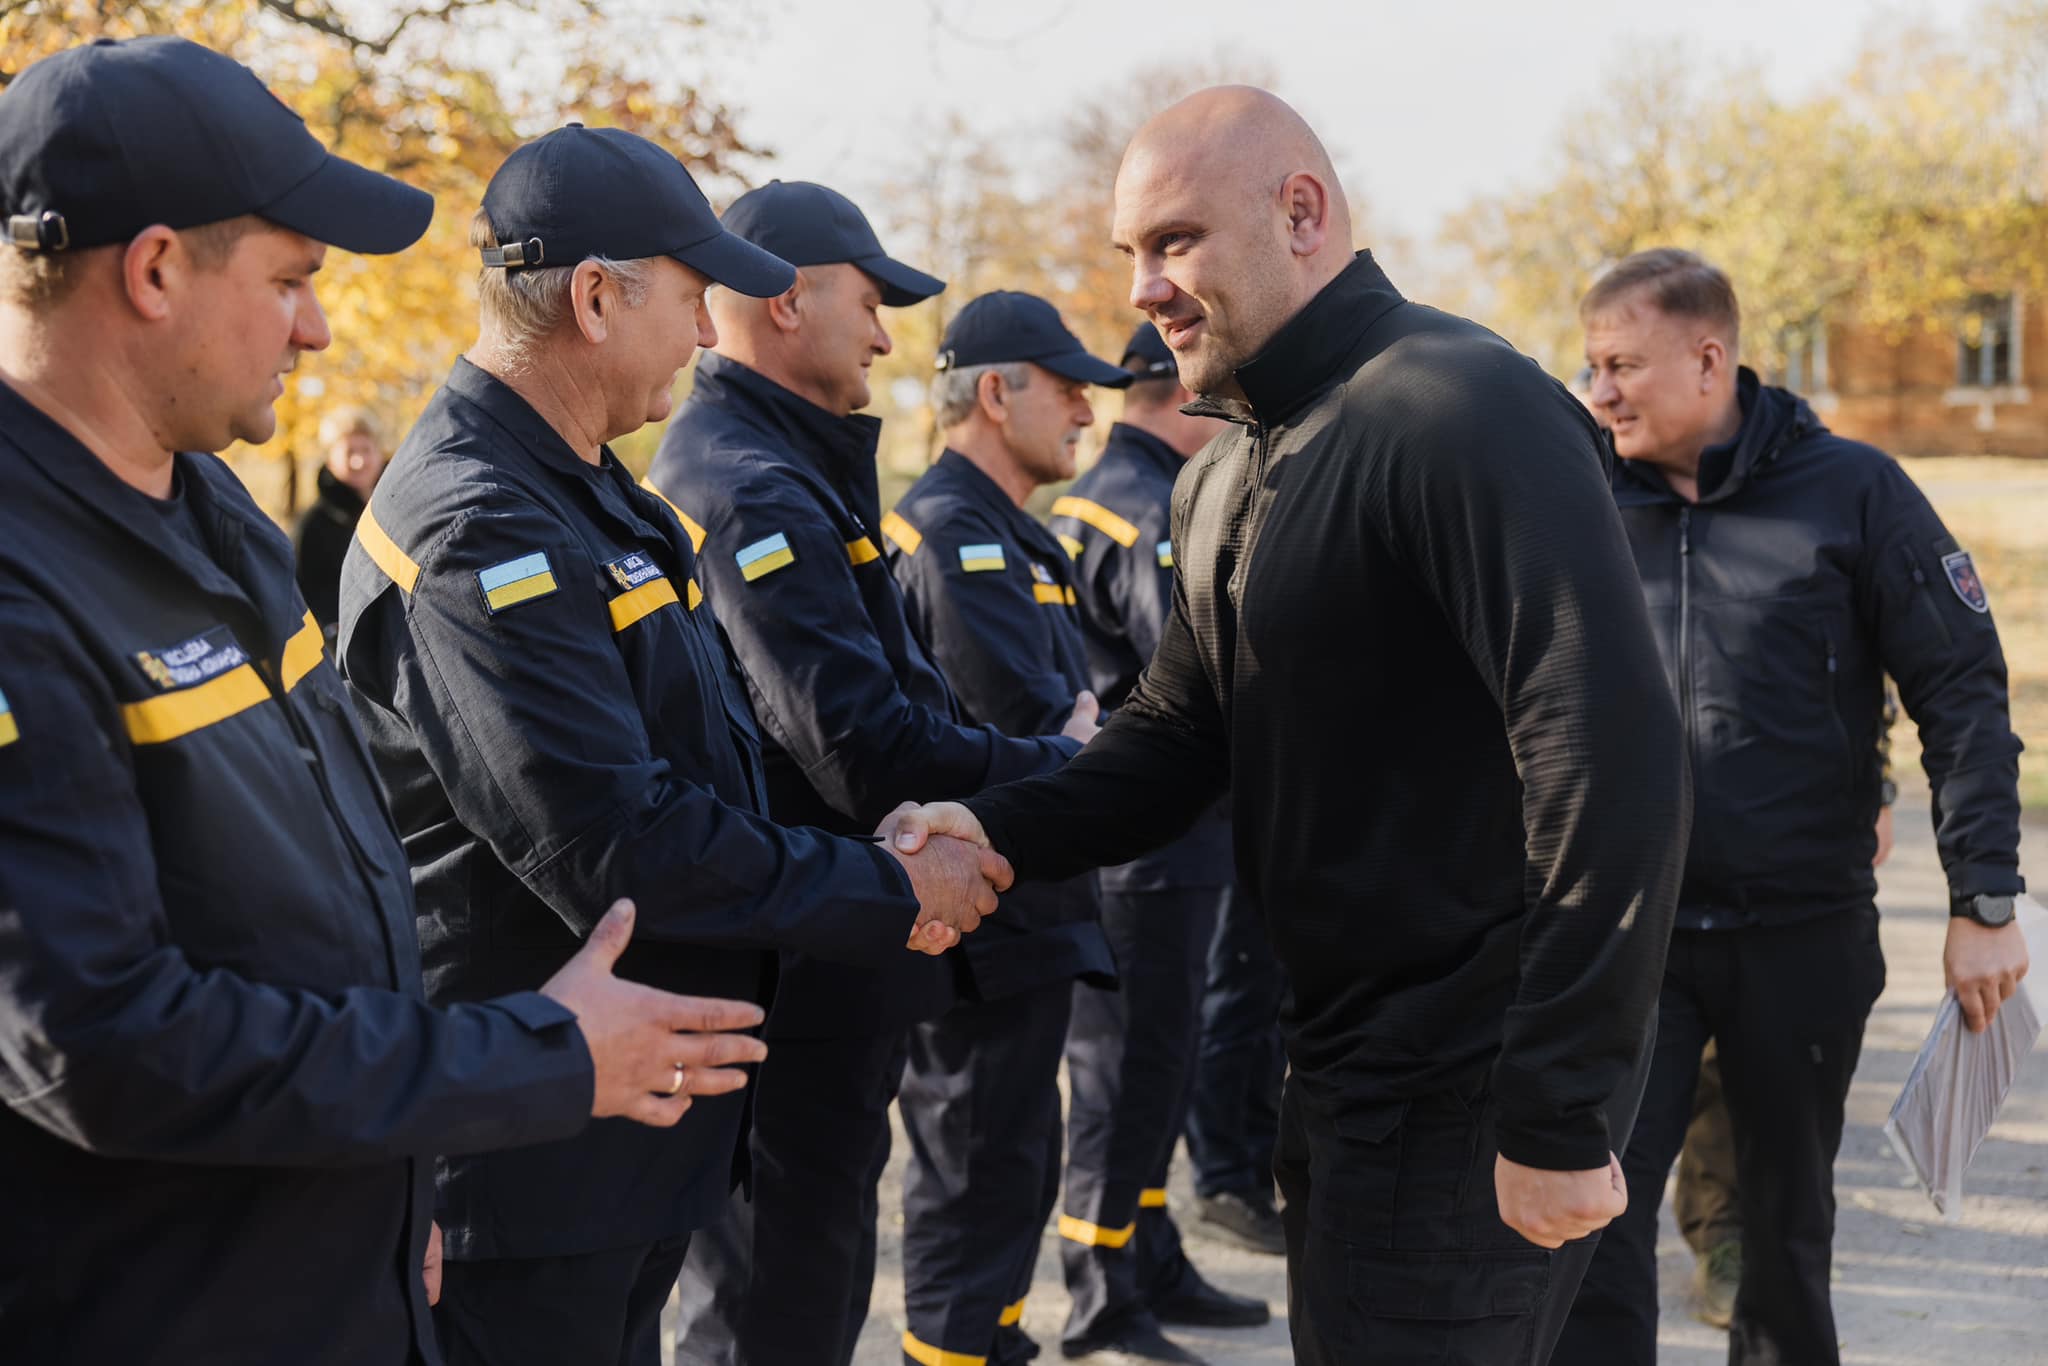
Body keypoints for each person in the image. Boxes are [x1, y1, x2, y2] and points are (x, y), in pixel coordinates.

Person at [885, 86, 1689, 1366]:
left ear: (1300, 212)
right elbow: (1168, 738)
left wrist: (1555, 1107)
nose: (1142, 288)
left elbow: (1609, 760)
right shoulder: (1222, 473)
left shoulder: (1460, 408)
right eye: (1129, 256)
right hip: (1339, 1082)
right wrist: (986, 828)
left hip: (1471, 1098)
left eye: (1175, 242)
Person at [0, 37, 770, 1366]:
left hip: (336, 1241)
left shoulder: (219, 514)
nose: (318, 326)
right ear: (156, 268)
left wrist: (400, 1170)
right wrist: (528, 1059)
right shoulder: (22, 590)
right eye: (293, 281)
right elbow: (99, 1039)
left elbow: (336, 868)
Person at [335, 130, 1009, 1366]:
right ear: (596, 297)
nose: (708, 335)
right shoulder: (479, 524)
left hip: (623, 1136)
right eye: (693, 298)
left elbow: (716, 770)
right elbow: (617, 839)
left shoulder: (585, 491)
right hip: (531, 1170)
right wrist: (891, 886)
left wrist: (870, 845)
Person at [642, 183, 1097, 1366]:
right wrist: (1065, 764)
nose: (889, 335)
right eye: (871, 300)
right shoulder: (751, 483)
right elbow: (862, 746)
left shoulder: (791, 465)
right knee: (774, 1302)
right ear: (787, 299)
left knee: (815, 1274)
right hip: (794, 968)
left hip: (830, 958)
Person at [1557, 248, 2029, 1366]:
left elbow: (1960, 690)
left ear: (1708, 357)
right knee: (1587, 1226)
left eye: (1619, 364)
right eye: (1589, 366)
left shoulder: (1852, 491)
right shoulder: (1571, 501)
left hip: (1798, 938)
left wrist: (1983, 896)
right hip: (1626, 942)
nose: (1598, 391)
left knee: (1780, 1236)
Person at [884, 290, 1137, 1366]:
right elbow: (1038, 723)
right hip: (979, 926)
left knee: (1016, 1169)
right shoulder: (949, 532)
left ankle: (986, 1344)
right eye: (1069, 386)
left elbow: (1093, 707)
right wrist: (1085, 734)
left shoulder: (1010, 532)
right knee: (974, 1175)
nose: (1087, 410)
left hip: (1030, 910)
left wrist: (1089, 730)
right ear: (995, 393)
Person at [1047, 319, 1271, 1364]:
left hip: (1160, 841)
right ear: (1171, 395)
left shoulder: (1103, 495)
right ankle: (1101, 1288)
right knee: (1128, 1073)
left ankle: (1144, 1248)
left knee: (1157, 1063)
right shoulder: (1144, 509)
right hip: (1147, 846)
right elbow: (1191, 668)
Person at [1677, 694, 1898, 1330]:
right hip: (1652, 806)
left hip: (1788, 840)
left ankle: (1727, 1234)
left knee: (1744, 1059)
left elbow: (1863, 659)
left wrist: (1877, 777)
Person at [294, 403, 388, 639]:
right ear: (330, 458)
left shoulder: (398, 509)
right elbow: (304, 598)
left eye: (366, 450)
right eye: (349, 452)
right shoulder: (312, 525)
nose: (359, 461)